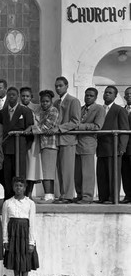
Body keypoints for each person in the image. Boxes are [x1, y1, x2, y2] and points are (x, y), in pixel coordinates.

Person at [2, 177, 39, 276]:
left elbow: (32, 223)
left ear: (25, 188)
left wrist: (32, 242)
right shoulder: (8, 203)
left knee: (25, 261)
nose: (18, 188)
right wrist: (5, 239)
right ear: (13, 187)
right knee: (15, 261)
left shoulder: (30, 203)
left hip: (25, 234)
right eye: (16, 186)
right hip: (13, 233)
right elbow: (5, 223)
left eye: (21, 186)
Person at [97, 86, 130, 204]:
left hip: (114, 147)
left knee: (113, 174)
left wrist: (122, 147)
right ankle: (103, 197)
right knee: (102, 174)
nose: (107, 94)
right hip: (101, 147)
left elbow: (124, 129)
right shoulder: (100, 109)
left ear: (115, 96)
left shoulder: (119, 110)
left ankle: (113, 198)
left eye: (110, 93)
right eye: (105, 92)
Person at [0, 87, 34, 199]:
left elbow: (30, 129)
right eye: (9, 95)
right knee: (7, 173)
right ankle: (8, 196)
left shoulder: (25, 111)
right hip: (6, 148)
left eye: (13, 95)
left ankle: (20, 195)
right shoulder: (2, 112)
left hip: (20, 148)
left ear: (17, 96)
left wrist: (25, 146)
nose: (11, 97)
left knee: (19, 173)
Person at [26, 90, 59, 203]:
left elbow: (46, 126)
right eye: (42, 101)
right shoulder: (39, 110)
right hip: (41, 143)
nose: (44, 103)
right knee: (44, 170)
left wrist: (31, 129)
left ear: (51, 101)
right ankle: (47, 193)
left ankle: (49, 194)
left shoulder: (53, 110)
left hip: (50, 143)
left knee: (48, 170)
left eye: (47, 101)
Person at [52, 76, 81, 204]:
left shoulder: (73, 101)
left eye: (60, 86)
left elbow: (75, 121)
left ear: (67, 86)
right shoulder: (56, 103)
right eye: (56, 86)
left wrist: (59, 128)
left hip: (68, 139)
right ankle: (62, 194)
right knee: (59, 169)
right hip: (56, 140)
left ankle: (68, 195)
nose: (58, 88)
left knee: (67, 169)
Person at [74, 88, 105, 204]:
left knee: (87, 173)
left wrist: (80, 127)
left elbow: (97, 126)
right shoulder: (81, 109)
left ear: (96, 97)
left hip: (88, 144)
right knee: (77, 173)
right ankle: (79, 194)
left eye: (91, 96)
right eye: (86, 95)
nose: (88, 97)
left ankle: (87, 197)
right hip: (77, 144)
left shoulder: (99, 109)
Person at [20, 87, 42, 197]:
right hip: (22, 141)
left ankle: (29, 193)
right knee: (23, 167)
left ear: (31, 97)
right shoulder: (18, 108)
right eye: (23, 96)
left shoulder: (37, 108)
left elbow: (39, 123)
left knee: (32, 167)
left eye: (27, 96)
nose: (25, 98)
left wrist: (31, 127)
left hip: (33, 141)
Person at [121, 87, 131, 204]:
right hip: (124, 147)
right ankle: (128, 195)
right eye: (127, 94)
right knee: (125, 173)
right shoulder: (122, 110)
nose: (129, 96)